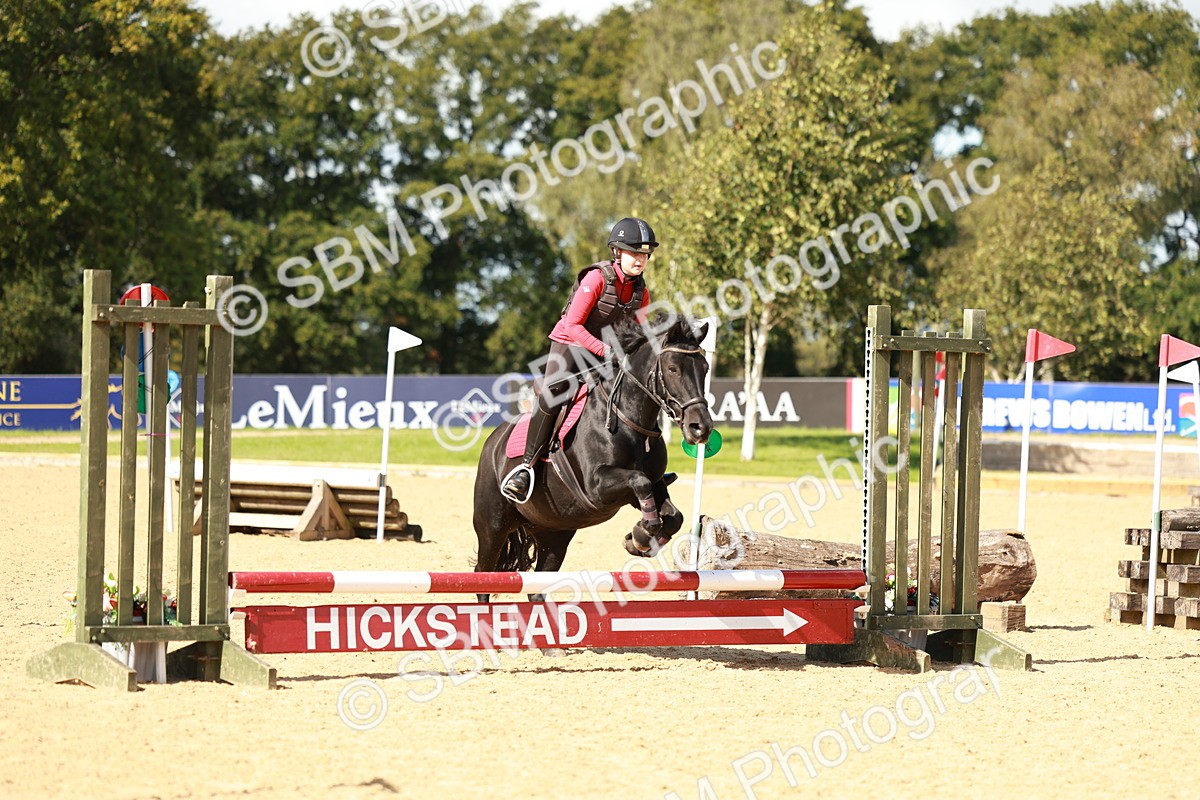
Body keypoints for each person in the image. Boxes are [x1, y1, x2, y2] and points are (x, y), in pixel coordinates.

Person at [500, 217, 657, 503]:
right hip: (570, 345)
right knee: (554, 392)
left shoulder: (640, 292)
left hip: (605, 350)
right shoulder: (596, 278)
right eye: (634, 252)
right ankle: (525, 467)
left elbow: (640, 333)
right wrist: (606, 351)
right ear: (617, 252)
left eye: (645, 254)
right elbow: (573, 325)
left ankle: (645, 467)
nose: (640, 259)